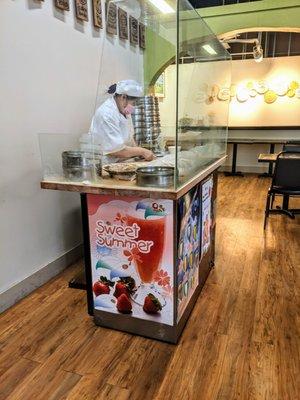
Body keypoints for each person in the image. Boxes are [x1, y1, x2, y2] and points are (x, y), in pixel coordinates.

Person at [89, 80, 155, 164]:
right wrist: (142, 151)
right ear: (123, 97)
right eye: (133, 103)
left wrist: (138, 154)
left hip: (120, 162)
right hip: (103, 165)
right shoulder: (106, 114)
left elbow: (130, 137)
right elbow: (116, 150)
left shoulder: (124, 109)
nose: (133, 107)